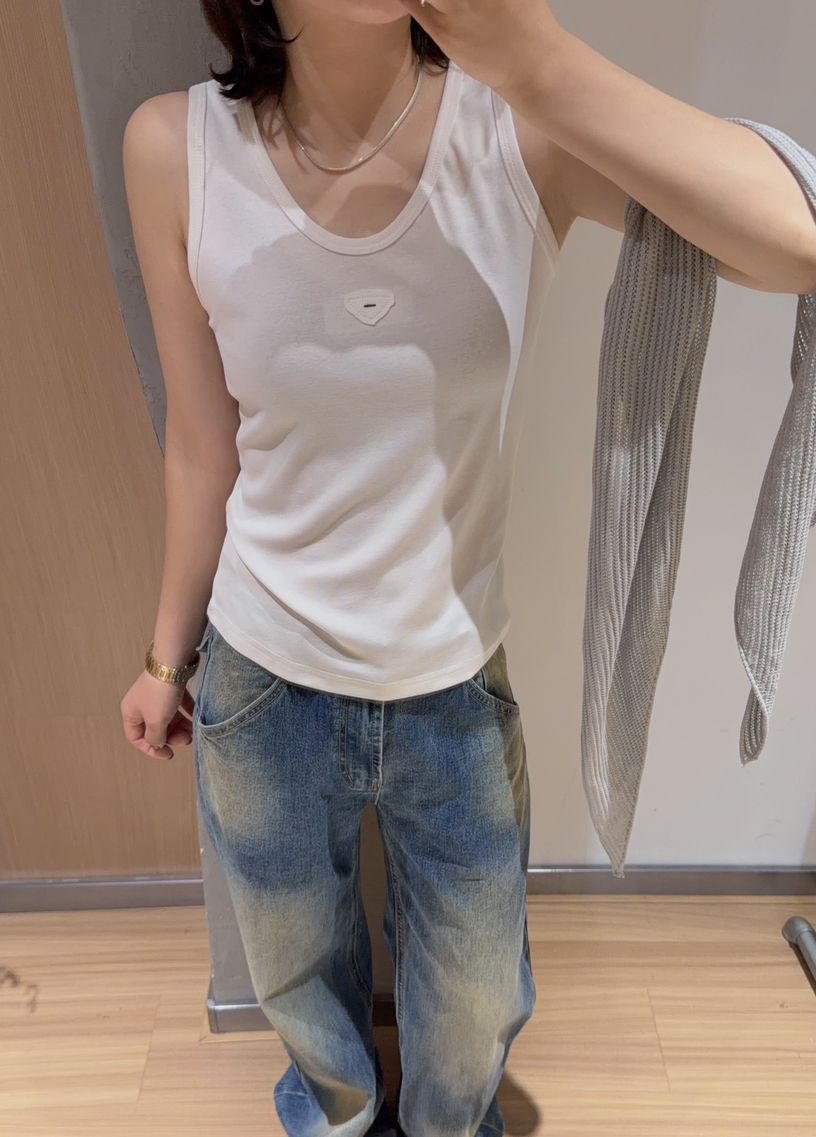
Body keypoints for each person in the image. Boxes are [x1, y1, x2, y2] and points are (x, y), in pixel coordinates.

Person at [119, 2, 564, 1135]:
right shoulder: (173, 148)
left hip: (452, 673)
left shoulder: (517, 124)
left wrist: (537, 53)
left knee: (473, 1011)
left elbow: (791, 237)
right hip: (262, 676)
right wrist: (165, 659)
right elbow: (200, 442)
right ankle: (338, 1115)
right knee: (296, 979)